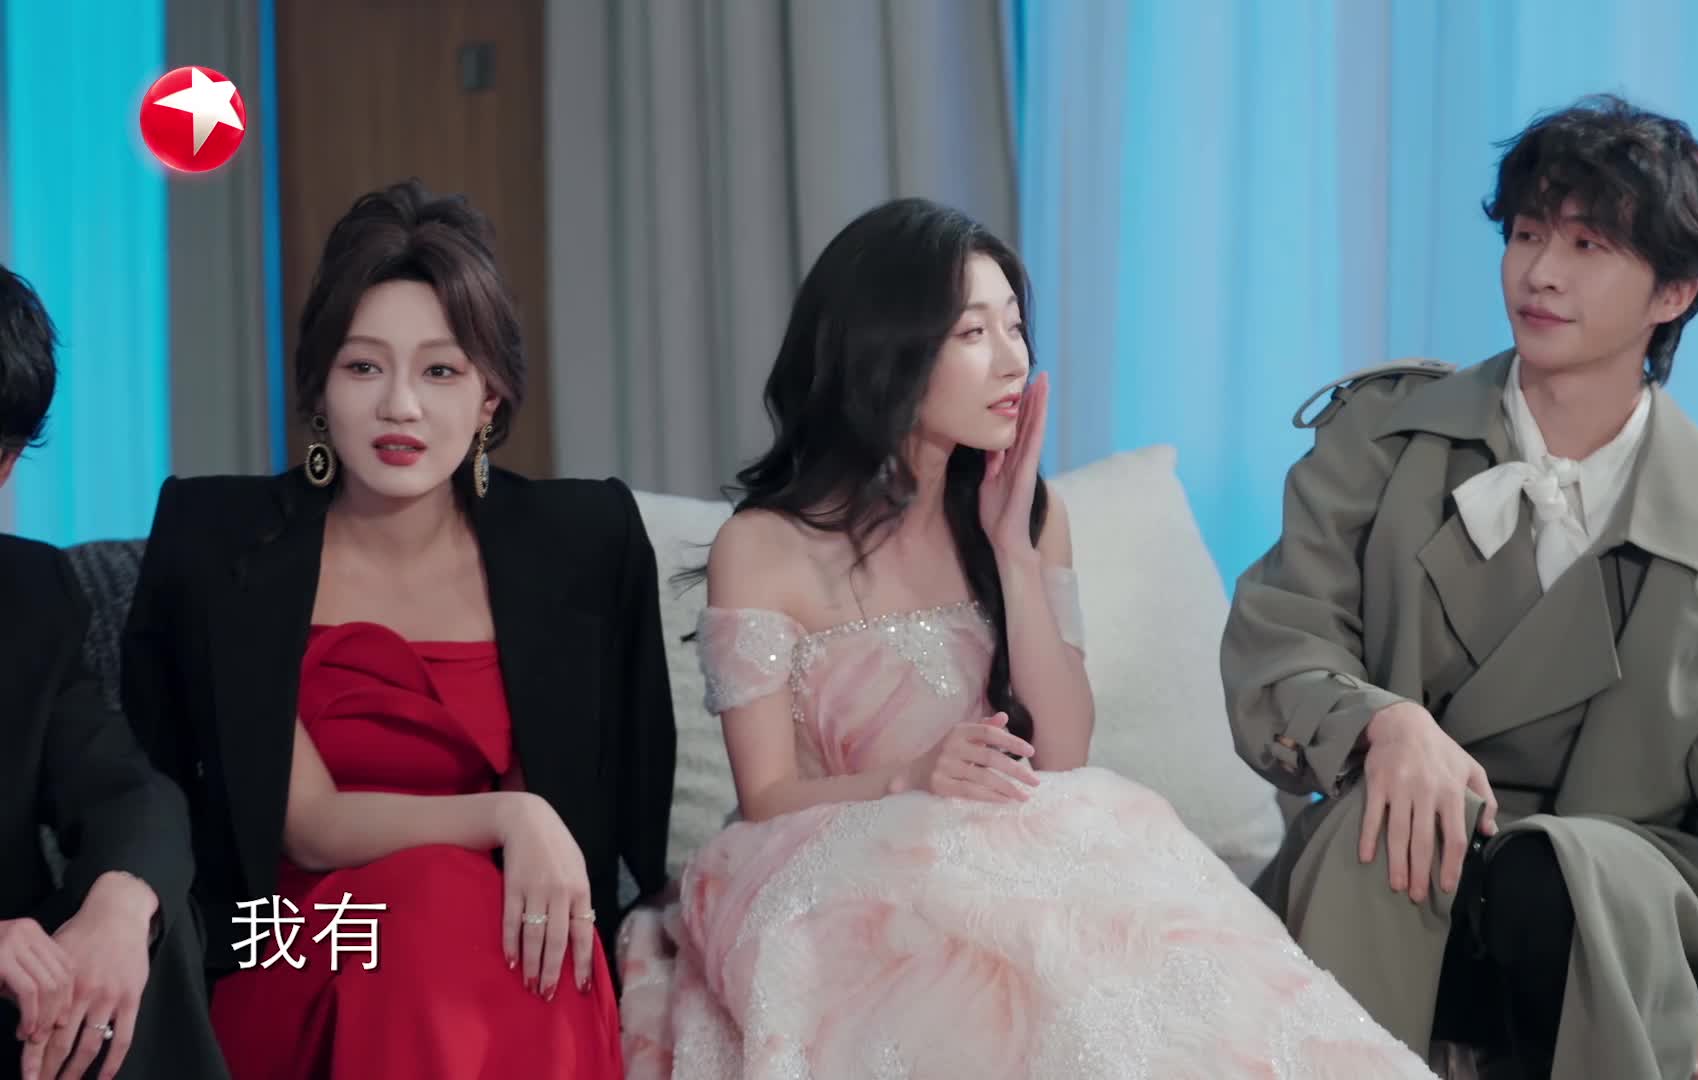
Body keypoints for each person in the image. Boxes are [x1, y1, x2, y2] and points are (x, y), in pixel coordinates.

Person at [617, 197, 1434, 1079]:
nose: (1013, 359)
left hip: (1012, 847)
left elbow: (1065, 754)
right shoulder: (763, 549)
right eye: (974, 333)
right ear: (886, 351)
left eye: (1015, 325)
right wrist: (907, 780)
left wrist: (1011, 549)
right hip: (833, 873)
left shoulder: (1031, 519)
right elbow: (767, 796)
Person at [1222, 95, 1698, 1080]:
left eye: (1588, 244)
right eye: (1526, 234)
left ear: (1675, 292)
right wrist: (1384, 723)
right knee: (1377, 837)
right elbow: (1280, 642)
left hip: (1604, 909)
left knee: (1559, 881)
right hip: (1389, 860)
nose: (1541, 273)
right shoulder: (1379, 442)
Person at [118, 181, 677, 1079]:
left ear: (490, 398)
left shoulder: (584, 542)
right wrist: (512, 814)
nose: (401, 407)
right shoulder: (216, 541)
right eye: (364, 367)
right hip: (298, 941)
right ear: (320, 388)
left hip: (511, 943)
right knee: (431, 899)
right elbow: (306, 827)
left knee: (476, 914)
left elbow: (625, 803)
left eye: (441, 371)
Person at [0, 265, 228, 1080]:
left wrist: (124, 901)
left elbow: (127, 788)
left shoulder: (30, 595)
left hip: (19, 1006)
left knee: (142, 931)